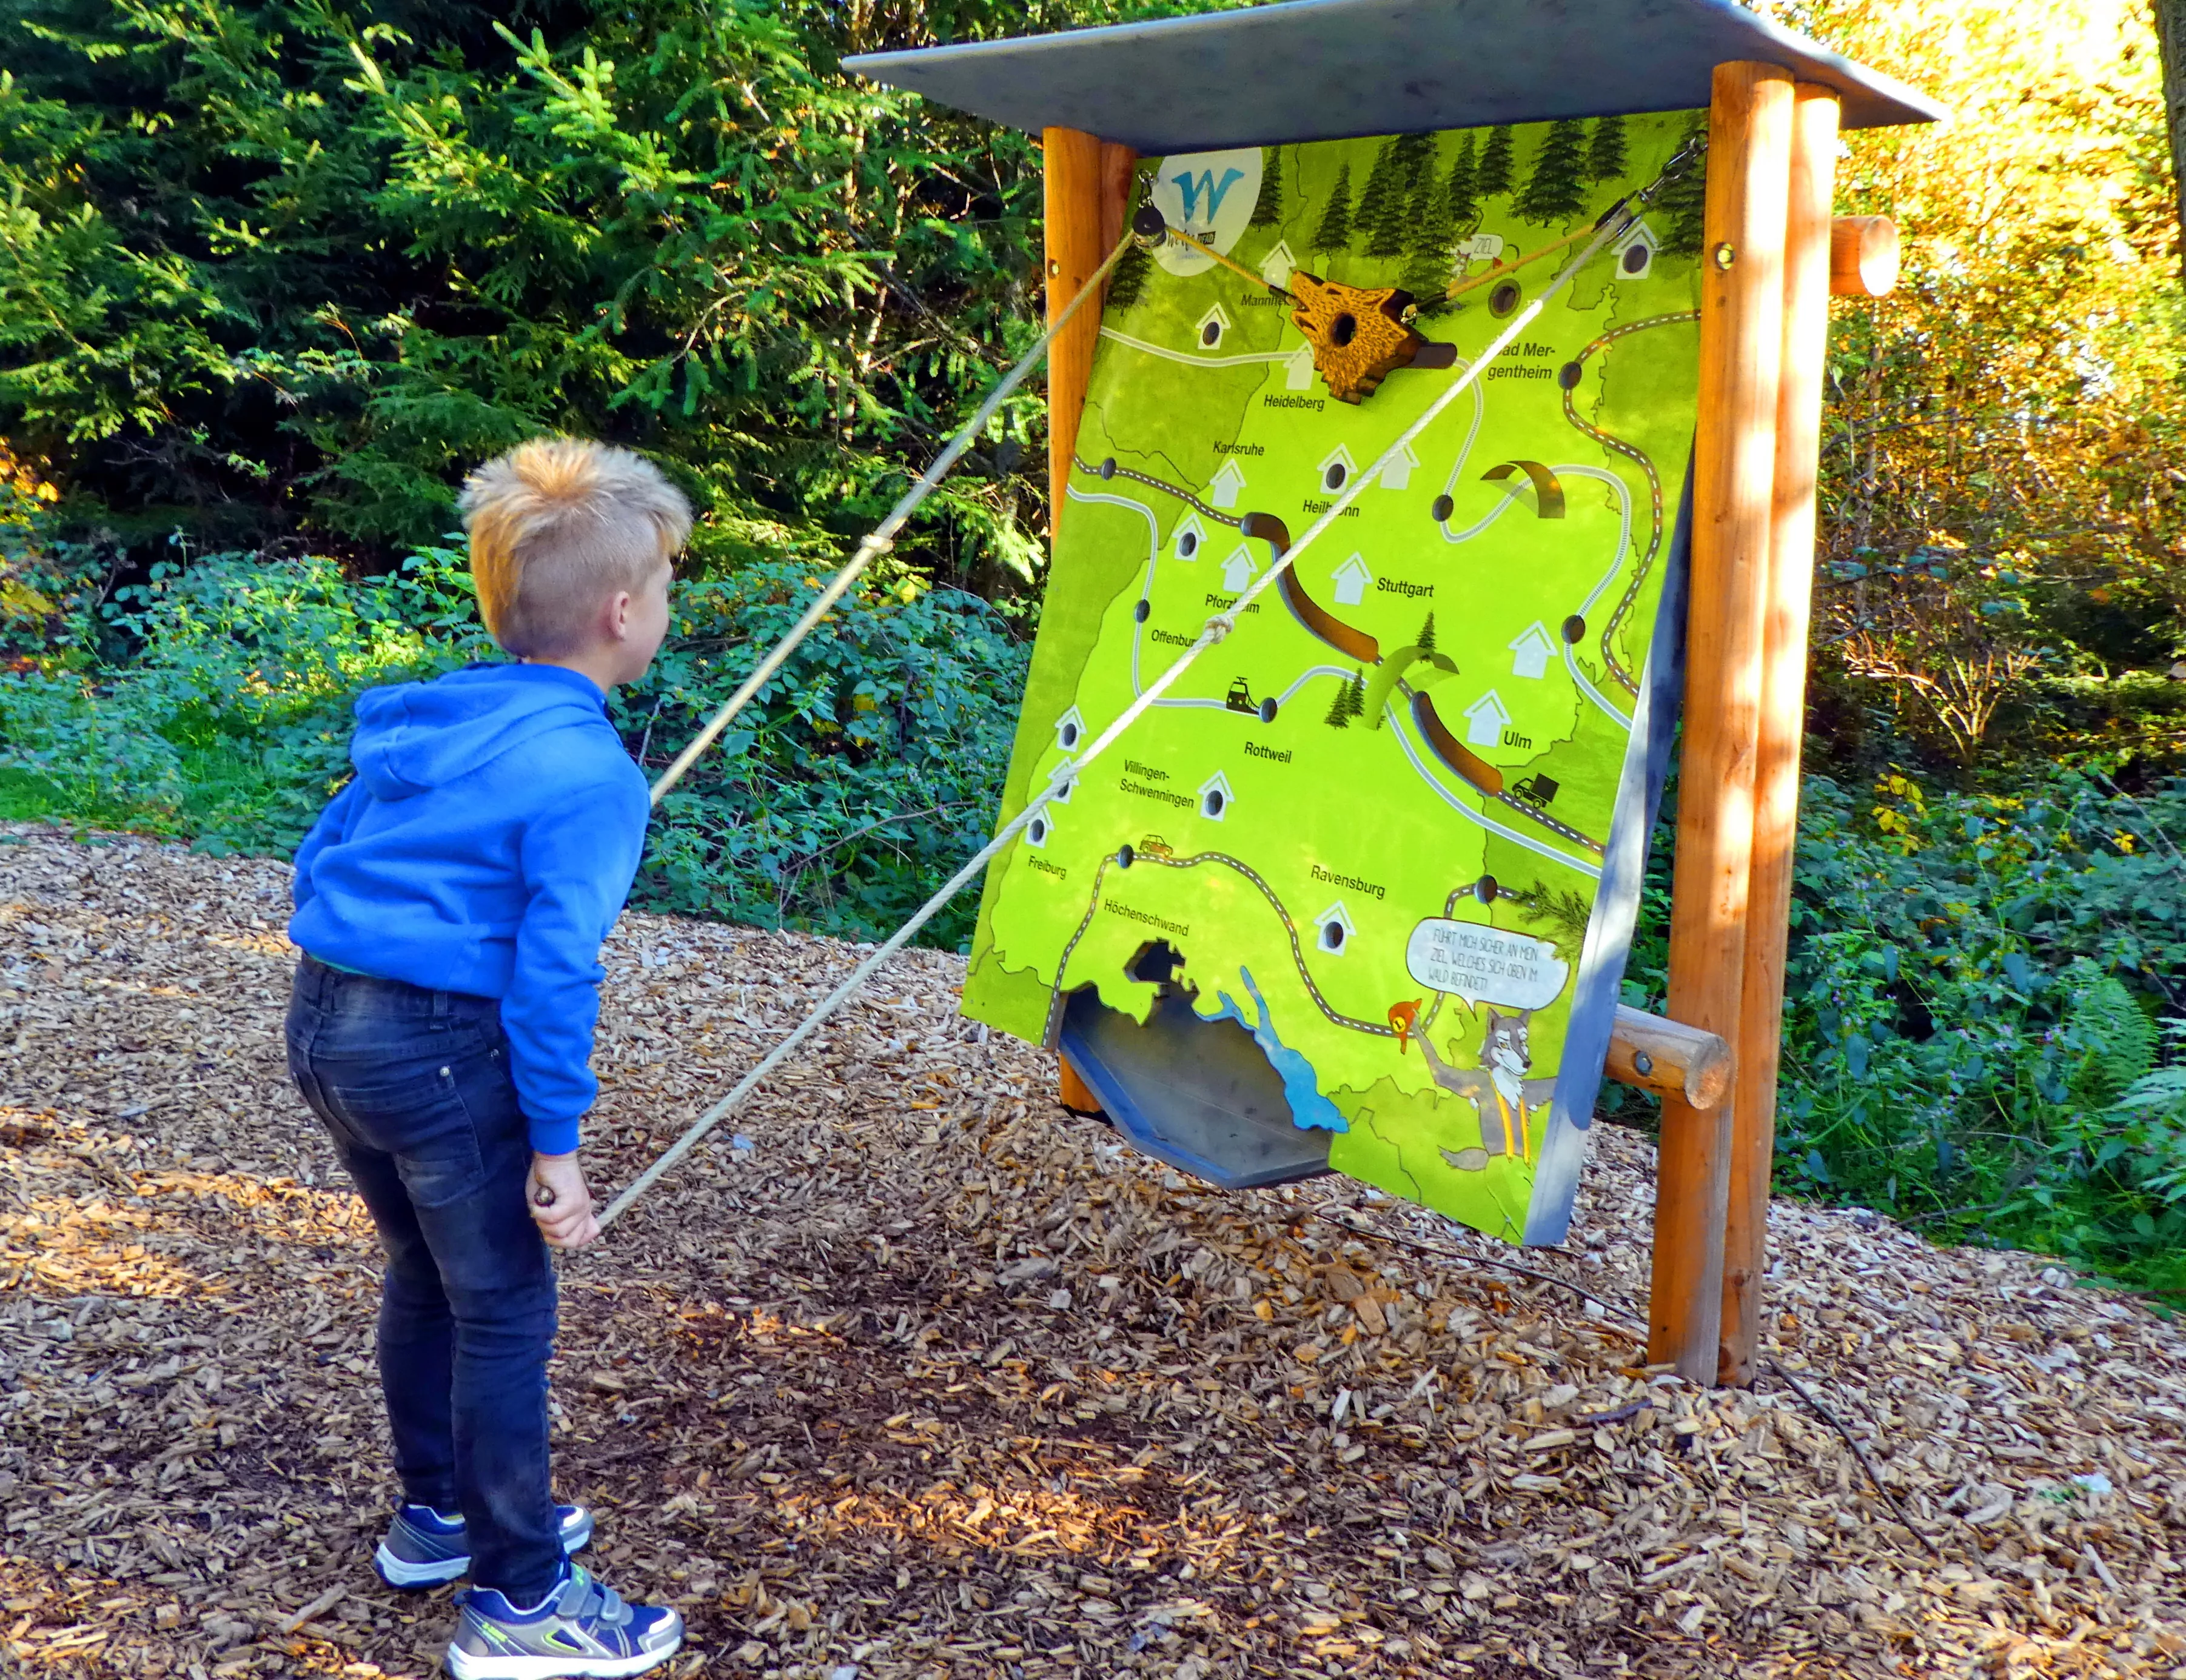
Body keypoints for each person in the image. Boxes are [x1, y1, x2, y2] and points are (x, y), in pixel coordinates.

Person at [284, 438, 689, 1679]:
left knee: (424, 1269)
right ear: (622, 612)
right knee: (505, 1305)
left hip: (328, 1021)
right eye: (666, 585)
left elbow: (325, 856)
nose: (666, 606)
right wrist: (556, 1144)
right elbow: (554, 972)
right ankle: (521, 1601)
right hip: (442, 1051)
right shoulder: (589, 775)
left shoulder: (438, 714)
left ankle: (440, 1512)